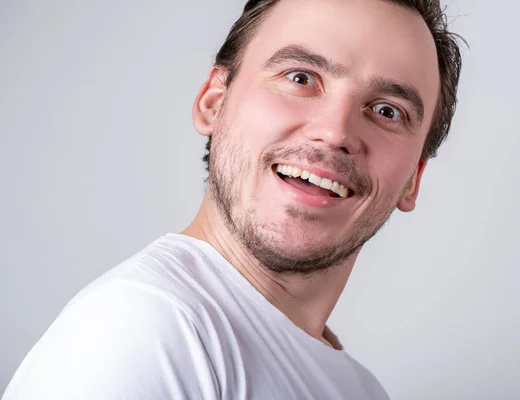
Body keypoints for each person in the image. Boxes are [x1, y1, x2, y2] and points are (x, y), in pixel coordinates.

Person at [3, 0, 463, 398]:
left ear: (412, 181)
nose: (336, 131)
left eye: (387, 111)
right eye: (301, 77)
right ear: (213, 103)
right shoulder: (143, 331)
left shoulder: (361, 390)